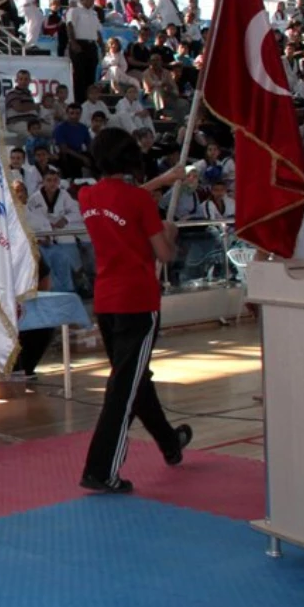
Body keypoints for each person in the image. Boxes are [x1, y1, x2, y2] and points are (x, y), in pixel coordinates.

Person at [77, 128, 193, 493]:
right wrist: (169, 231)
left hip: (107, 302)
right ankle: (101, 469)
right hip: (138, 301)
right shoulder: (139, 203)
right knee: (124, 388)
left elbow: (120, 204)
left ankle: (169, 443)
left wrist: (165, 180)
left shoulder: (87, 197)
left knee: (134, 380)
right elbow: (164, 253)